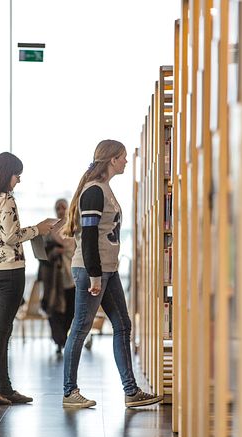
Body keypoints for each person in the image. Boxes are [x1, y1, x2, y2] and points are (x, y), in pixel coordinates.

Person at [61, 139, 162, 409]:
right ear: (112, 160)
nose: (126, 161)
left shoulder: (104, 189)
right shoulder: (94, 191)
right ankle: (69, 392)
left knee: (123, 325)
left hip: (109, 270)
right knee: (80, 329)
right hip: (92, 270)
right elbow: (90, 237)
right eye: (123, 157)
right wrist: (95, 275)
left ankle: (131, 391)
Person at [0, 152, 57, 405]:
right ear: (5, 174)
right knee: (0, 332)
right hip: (10, 271)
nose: (18, 180)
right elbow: (11, 237)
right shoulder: (6, 199)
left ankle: (6, 388)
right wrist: (39, 230)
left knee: (2, 331)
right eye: (16, 174)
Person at [39, 198, 76, 355]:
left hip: (72, 276)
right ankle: (59, 340)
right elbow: (42, 253)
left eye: (63, 207)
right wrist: (54, 252)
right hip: (53, 278)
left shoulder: (74, 228)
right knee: (54, 310)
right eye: (58, 208)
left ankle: (65, 338)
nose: (61, 210)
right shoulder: (49, 229)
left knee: (70, 310)